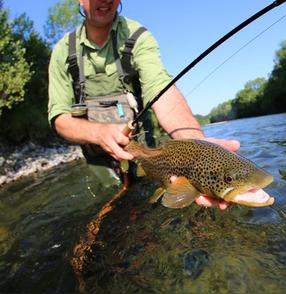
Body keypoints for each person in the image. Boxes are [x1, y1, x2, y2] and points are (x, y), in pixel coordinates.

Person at [48, 0, 238, 209]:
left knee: (150, 213)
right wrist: (99, 133)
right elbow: (60, 119)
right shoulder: (63, 52)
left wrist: (199, 149)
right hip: (98, 160)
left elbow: (161, 89)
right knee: (109, 215)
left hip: (147, 157)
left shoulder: (137, 36)